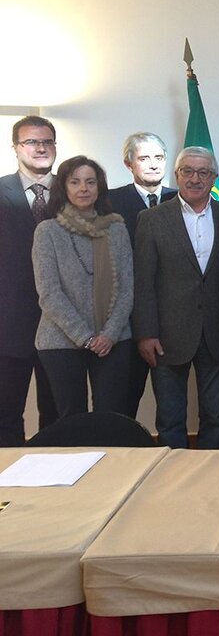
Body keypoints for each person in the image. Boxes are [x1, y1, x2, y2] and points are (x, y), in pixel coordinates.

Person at [132, 147, 219, 448]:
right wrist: (146, 333)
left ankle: (211, 471)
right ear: (176, 175)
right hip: (167, 335)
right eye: (187, 171)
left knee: (216, 417)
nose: (195, 178)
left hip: (218, 334)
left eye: (203, 172)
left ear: (214, 178)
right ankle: (174, 474)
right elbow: (143, 282)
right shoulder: (151, 219)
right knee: (170, 419)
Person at [32, 156, 133, 418]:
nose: (83, 188)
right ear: (63, 187)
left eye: (90, 182)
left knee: (111, 417)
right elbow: (49, 294)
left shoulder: (117, 229)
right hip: (61, 341)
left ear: (99, 187)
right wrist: (86, 337)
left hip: (113, 340)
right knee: (71, 420)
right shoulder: (47, 231)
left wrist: (109, 334)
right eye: (75, 182)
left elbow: (127, 289)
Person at [107, 132, 177, 417]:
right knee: (122, 403)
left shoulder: (182, 198)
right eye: (144, 158)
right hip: (123, 321)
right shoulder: (109, 202)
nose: (153, 164)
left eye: (159, 157)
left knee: (171, 407)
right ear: (129, 163)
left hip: (172, 319)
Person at [0, 115, 58, 445]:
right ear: (16, 148)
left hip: (62, 327)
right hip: (8, 326)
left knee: (59, 417)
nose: (40, 148)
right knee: (6, 416)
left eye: (47, 141)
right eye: (31, 142)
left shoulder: (76, 191)